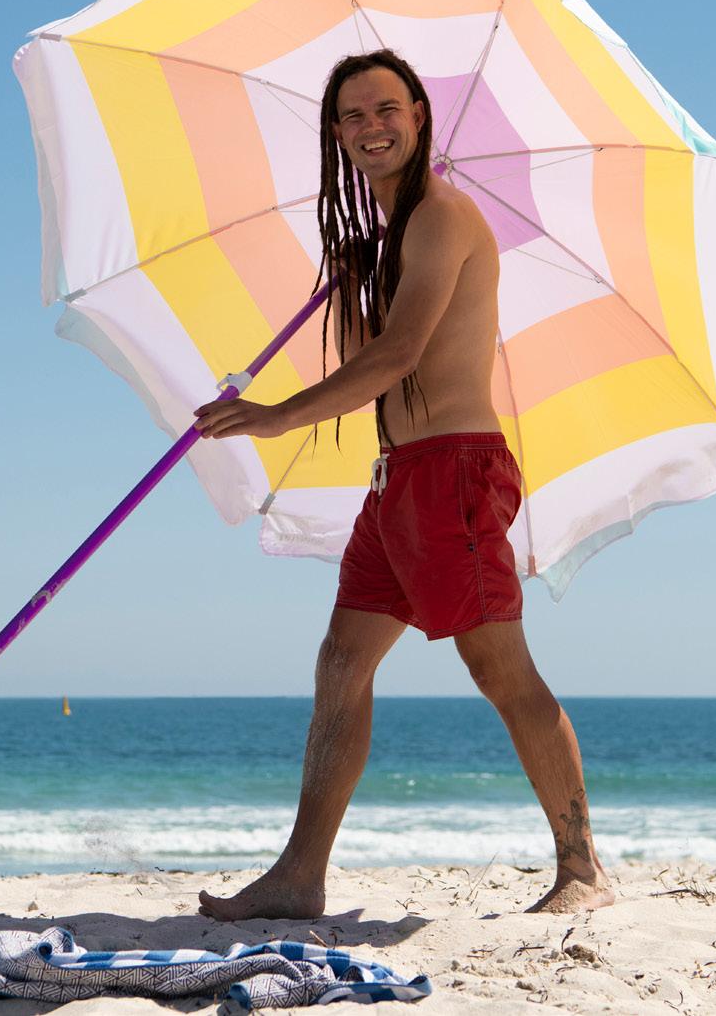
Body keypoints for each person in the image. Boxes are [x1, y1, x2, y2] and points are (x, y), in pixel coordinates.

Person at [191, 50, 612, 919]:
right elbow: (372, 361)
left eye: (385, 108)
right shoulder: (388, 240)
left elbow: (401, 354)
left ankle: (581, 870)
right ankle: (298, 876)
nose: (369, 126)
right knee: (342, 662)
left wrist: (276, 416)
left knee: (498, 667)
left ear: (418, 114)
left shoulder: (441, 216)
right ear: (336, 135)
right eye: (350, 116)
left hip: (453, 472)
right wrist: (354, 284)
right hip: (397, 481)